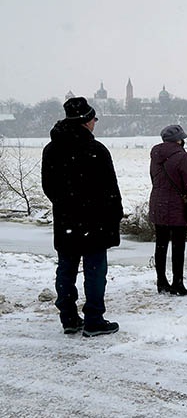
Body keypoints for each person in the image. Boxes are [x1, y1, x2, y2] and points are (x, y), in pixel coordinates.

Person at [41, 97, 123, 337]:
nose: (95, 123)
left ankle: (68, 318)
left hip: (66, 220)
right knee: (95, 271)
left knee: (66, 269)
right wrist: (114, 214)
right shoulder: (95, 150)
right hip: (95, 221)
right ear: (86, 121)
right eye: (93, 119)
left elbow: (49, 187)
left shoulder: (51, 149)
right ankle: (94, 319)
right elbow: (111, 189)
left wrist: (67, 204)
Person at [148, 125, 187, 295]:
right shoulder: (183, 157)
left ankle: (161, 282)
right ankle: (178, 283)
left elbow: (153, 178)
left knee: (161, 245)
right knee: (178, 247)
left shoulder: (155, 154)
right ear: (179, 139)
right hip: (177, 205)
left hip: (157, 203)